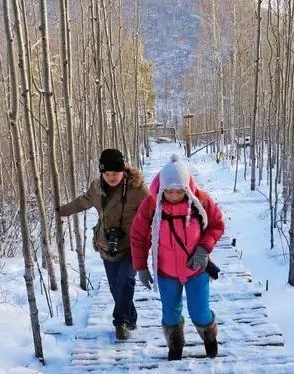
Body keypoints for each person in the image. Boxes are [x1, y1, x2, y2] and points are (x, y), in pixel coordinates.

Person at [130, 154, 224, 360]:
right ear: (162, 187)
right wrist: (141, 267)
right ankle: (175, 345)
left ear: (187, 188)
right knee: (170, 313)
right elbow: (138, 236)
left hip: (196, 269)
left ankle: (209, 337)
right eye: (169, 191)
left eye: (179, 191)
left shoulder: (202, 201)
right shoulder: (151, 205)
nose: (174, 195)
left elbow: (217, 225)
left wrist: (203, 249)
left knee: (200, 311)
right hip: (166, 272)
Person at [59, 148, 148, 341]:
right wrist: (61, 211)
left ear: (123, 169)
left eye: (115, 173)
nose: (111, 177)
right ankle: (130, 317)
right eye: (106, 173)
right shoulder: (96, 188)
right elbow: (82, 202)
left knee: (126, 281)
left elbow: (151, 213)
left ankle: (120, 323)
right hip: (107, 245)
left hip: (132, 245)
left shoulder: (137, 189)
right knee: (117, 287)